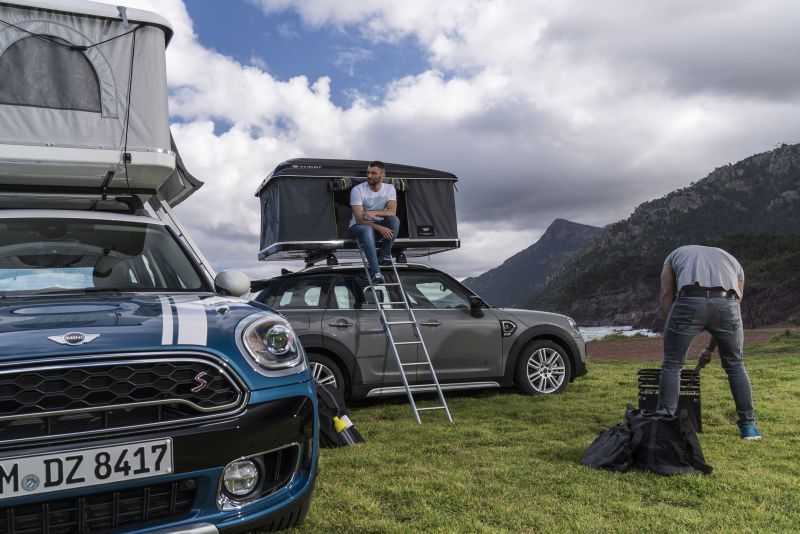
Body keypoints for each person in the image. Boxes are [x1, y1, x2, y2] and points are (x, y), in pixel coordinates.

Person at [657, 244, 760, 440]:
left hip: (688, 301)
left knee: (672, 364)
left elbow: (666, 293)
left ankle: (664, 424)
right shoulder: (733, 261)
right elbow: (733, 305)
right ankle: (749, 427)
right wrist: (710, 348)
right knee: (736, 365)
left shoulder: (673, 255)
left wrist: (671, 326)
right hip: (726, 303)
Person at [349, 161, 400, 284]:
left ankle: (385, 255)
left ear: (382, 175)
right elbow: (360, 219)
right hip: (358, 227)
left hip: (377, 226)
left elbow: (392, 211)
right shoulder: (358, 190)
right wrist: (380, 228)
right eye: (368, 172)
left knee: (394, 220)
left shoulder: (389, 189)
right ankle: (376, 273)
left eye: (373, 173)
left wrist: (375, 213)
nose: (369, 176)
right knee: (367, 229)